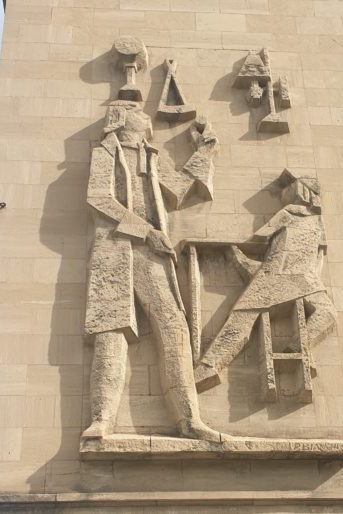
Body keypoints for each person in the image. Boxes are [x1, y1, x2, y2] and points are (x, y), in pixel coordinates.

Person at [82, 100, 223, 442]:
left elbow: (178, 188)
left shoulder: (151, 157)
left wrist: (204, 152)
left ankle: (189, 420)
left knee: (174, 329)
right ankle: (102, 421)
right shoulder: (106, 151)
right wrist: (146, 232)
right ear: (121, 118)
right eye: (135, 108)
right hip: (117, 249)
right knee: (111, 331)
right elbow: (98, 197)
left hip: (152, 254)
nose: (144, 112)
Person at [193, 170, 336, 392]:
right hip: (280, 273)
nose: (285, 191)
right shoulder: (294, 215)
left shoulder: (303, 217)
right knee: (242, 321)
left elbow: (262, 239)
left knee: (326, 314)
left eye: (290, 186)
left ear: (302, 190)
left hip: (299, 277)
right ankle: (209, 366)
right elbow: (260, 240)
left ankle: (296, 346)